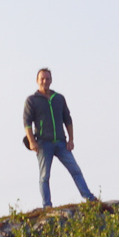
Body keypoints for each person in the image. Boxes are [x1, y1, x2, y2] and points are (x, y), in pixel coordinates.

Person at [23, 67, 98, 207]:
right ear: (37, 81)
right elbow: (27, 123)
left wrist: (71, 140)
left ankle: (89, 197)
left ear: (51, 80)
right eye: (42, 79)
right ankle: (47, 206)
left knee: (75, 170)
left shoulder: (59, 98)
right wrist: (32, 142)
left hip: (61, 142)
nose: (45, 81)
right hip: (43, 143)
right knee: (44, 176)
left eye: (47, 78)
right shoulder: (32, 100)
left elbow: (68, 119)